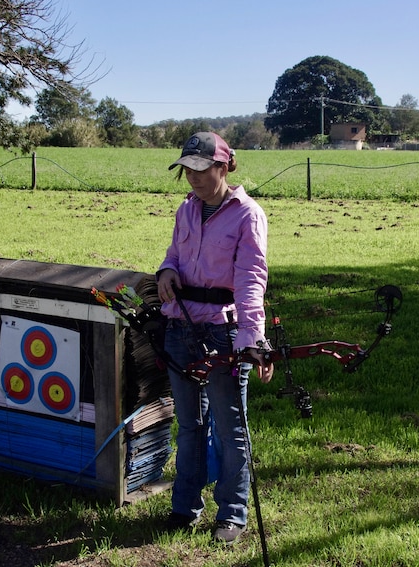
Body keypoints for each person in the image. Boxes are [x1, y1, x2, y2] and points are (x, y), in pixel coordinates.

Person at [156, 132, 274, 544]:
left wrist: (251, 337)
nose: (193, 178)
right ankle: (184, 507)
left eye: (202, 170)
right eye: (187, 169)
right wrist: (166, 271)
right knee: (189, 424)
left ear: (224, 167)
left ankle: (232, 514)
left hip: (224, 332)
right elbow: (174, 254)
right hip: (181, 327)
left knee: (230, 427)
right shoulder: (185, 210)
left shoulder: (247, 215)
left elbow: (251, 280)